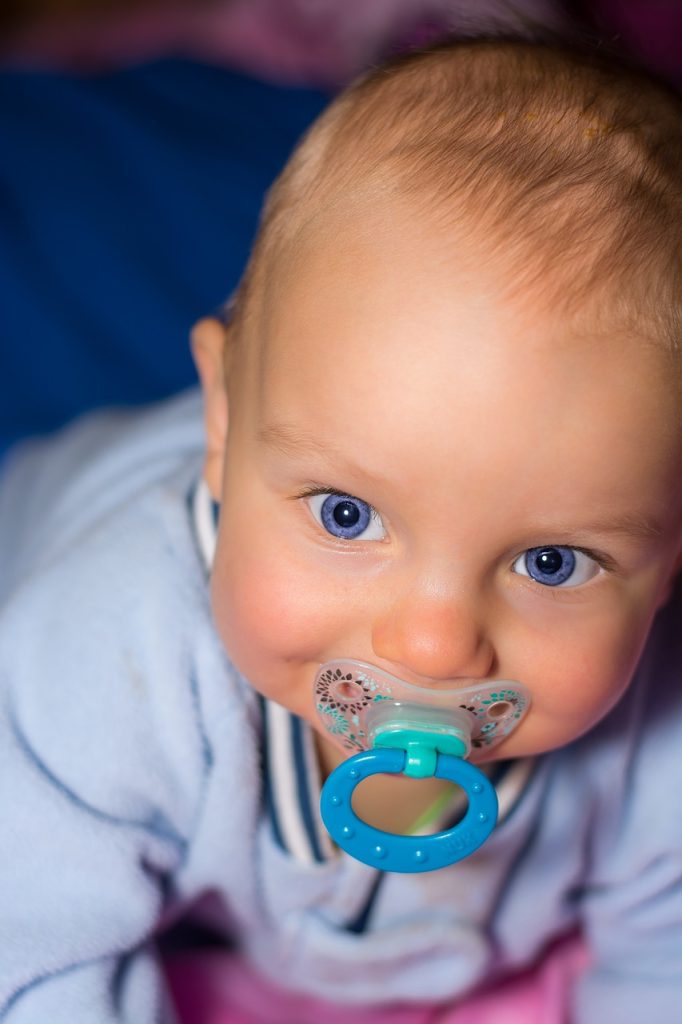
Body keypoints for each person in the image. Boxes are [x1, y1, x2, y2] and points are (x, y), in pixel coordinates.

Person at [1, 36, 681, 1024]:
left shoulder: (651, 745)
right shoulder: (103, 655)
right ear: (223, 428)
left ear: (667, 559)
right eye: (346, 515)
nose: (433, 643)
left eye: (549, 560)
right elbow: (26, 944)